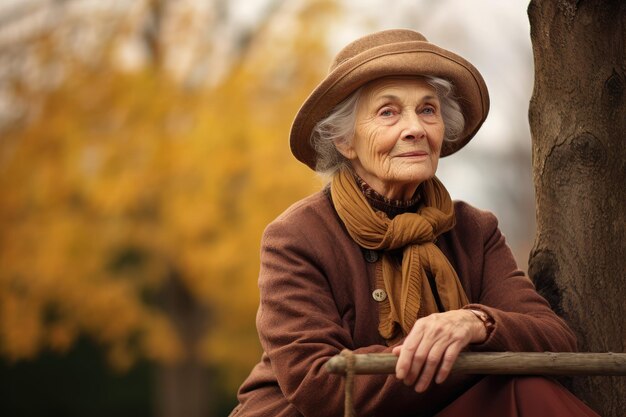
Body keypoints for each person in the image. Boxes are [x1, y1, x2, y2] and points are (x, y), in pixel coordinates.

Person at [229, 29, 599, 417]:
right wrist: (460, 355)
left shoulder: (474, 229)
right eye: (388, 112)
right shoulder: (296, 236)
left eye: (427, 110)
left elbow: (555, 338)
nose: (416, 128)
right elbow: (320, 386)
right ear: (345, 141)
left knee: (529, 388)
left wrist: (475, 323)